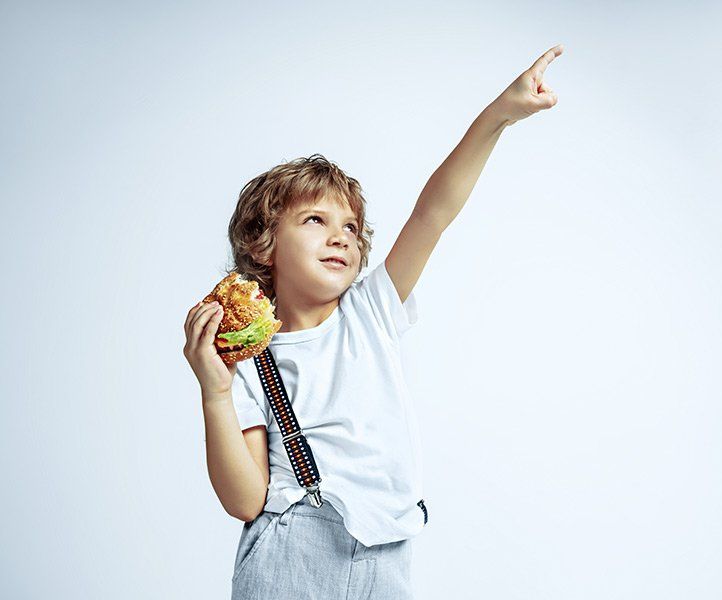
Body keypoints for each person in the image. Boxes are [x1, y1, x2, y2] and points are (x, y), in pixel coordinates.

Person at [182, 44, 564, 600]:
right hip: (293, 554)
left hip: (387, 551)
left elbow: (433, 212)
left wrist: (499, 116)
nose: (341, 235)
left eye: (352, 227)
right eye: (315, 219)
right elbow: (245, 501)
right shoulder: (247, 359)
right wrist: (215, 393)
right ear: (263, 246)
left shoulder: (372, 312)